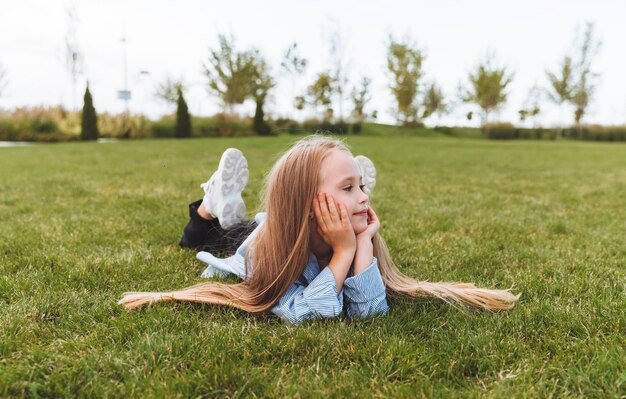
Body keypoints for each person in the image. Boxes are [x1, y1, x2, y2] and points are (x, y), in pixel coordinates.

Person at [119, 136, 518, 324]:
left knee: (245, 222)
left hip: (295, 224)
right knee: (208, 237)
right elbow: (306, 314)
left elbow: (369, 314)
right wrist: (343, 253)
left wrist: (360, 243)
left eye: (360, 187)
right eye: (350, 188)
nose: (365, 198)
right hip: (256, 238)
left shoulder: (350, 236)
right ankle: (211, 203)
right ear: (308, 206)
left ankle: (232, 205)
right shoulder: (267, 256)